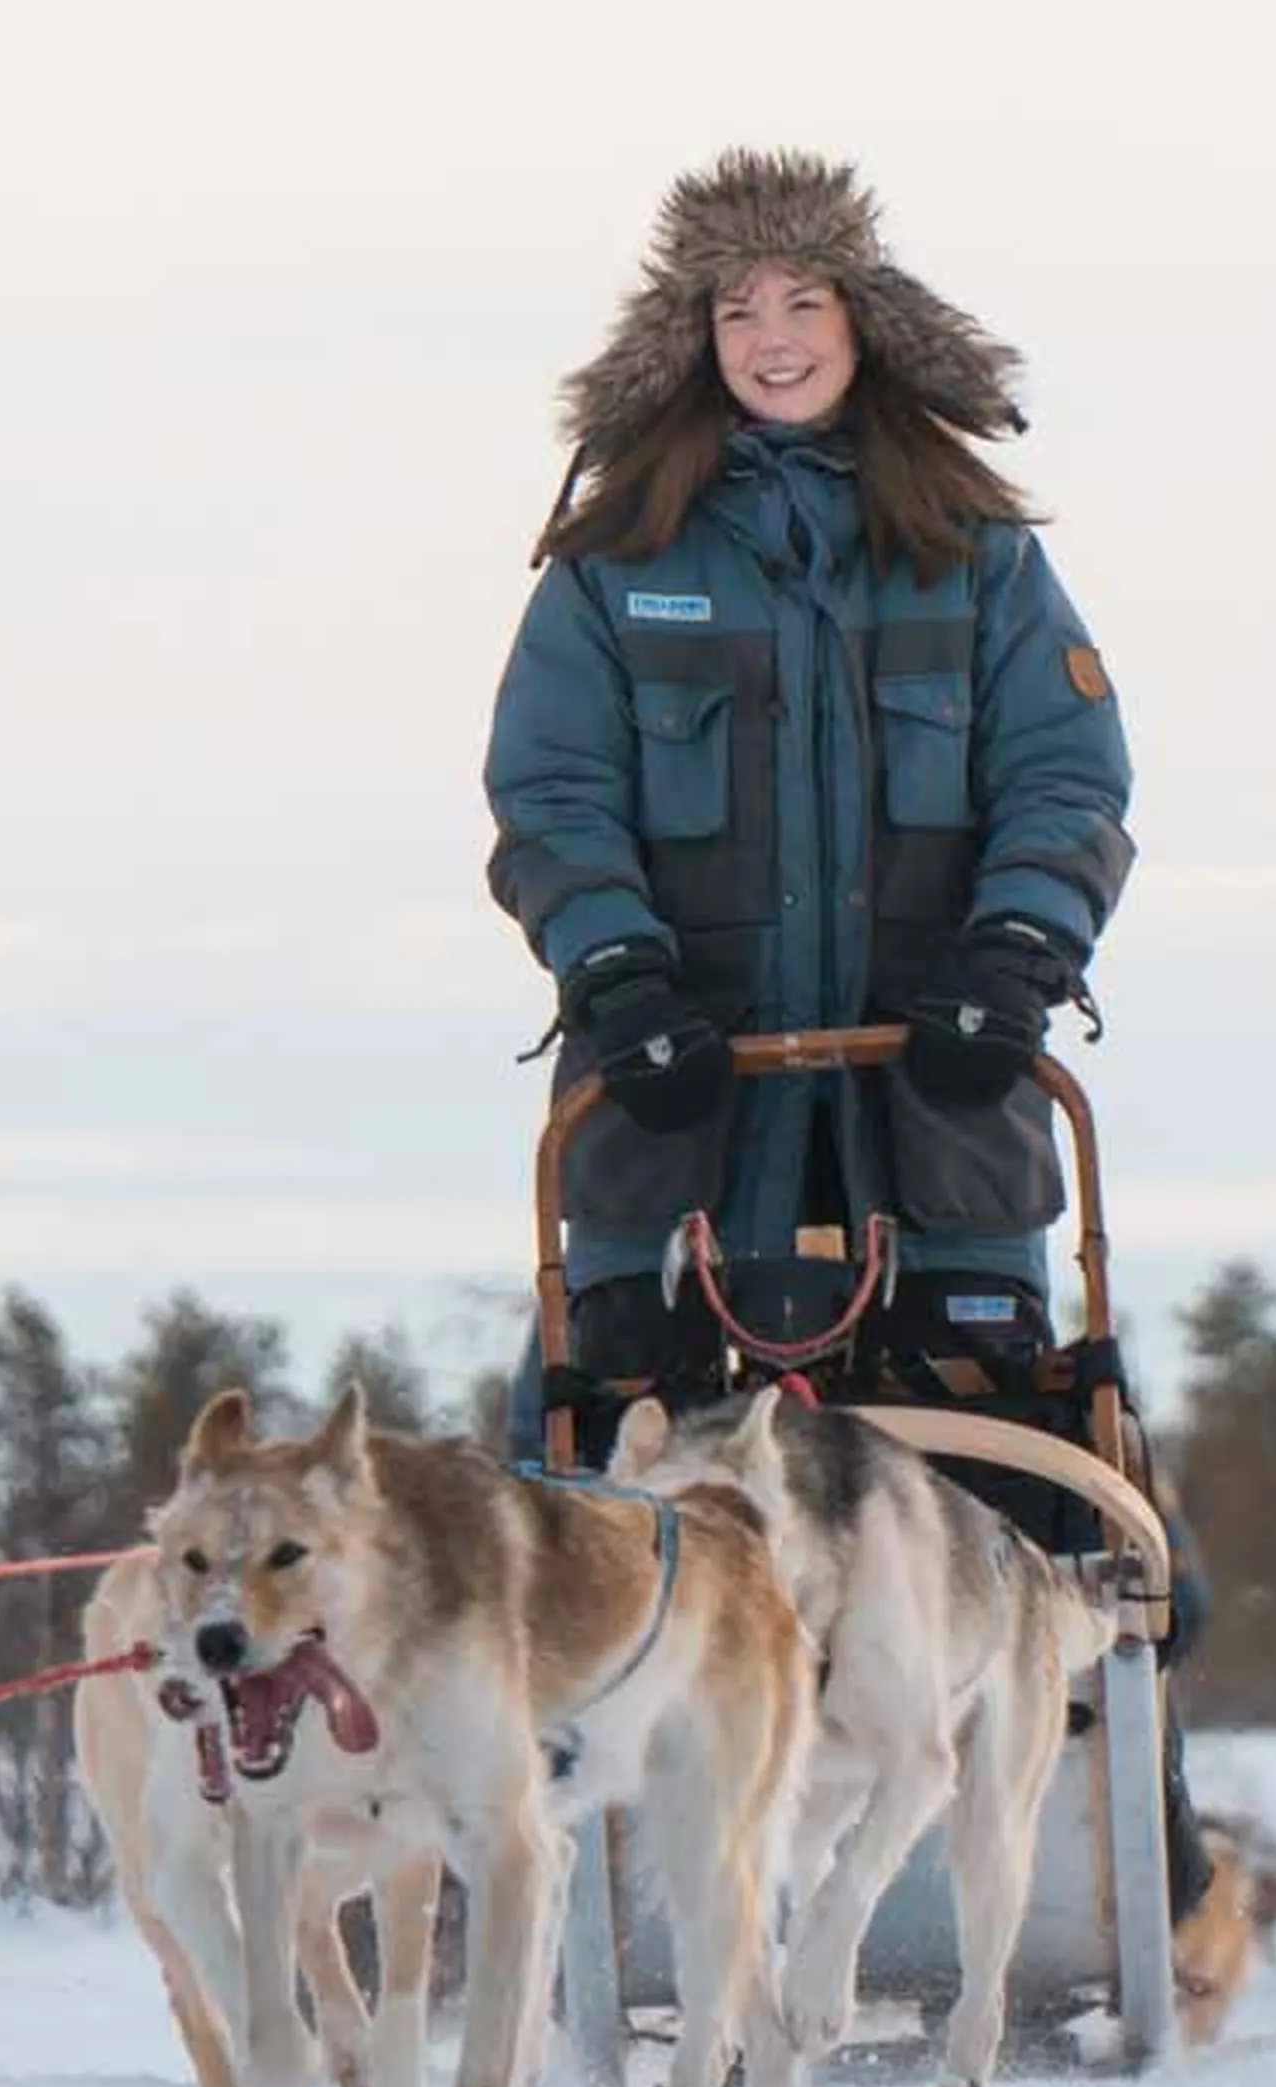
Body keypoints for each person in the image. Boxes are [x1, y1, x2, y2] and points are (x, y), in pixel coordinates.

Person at [485, 148, 1136, 1469]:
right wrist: (615, 971)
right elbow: (551, 790)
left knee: (1012, 1469)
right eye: (737, 312)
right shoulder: (617, 561)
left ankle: (1119, 1599)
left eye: (801, 305)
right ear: (694, 338)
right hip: (680, 1109)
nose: (772, 343)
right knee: (589, 1472)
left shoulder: (974, 548)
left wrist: (1017, 953)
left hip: (939, 1097)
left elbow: (1065, 773)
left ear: (861, 322)